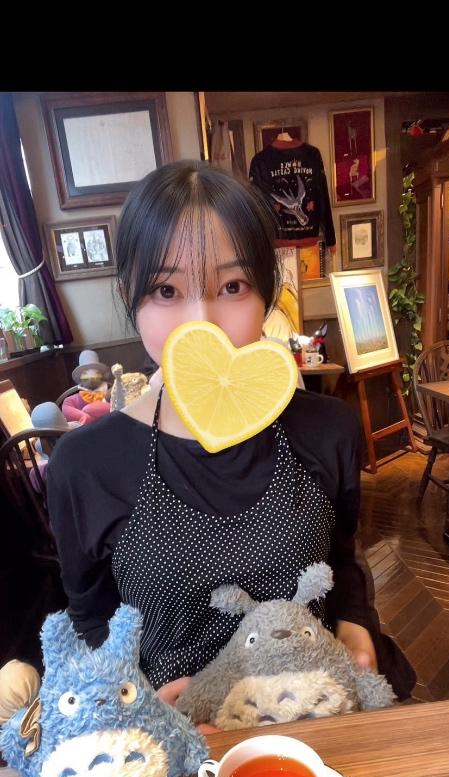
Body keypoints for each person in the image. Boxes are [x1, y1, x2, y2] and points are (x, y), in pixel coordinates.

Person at [47, 160, 414, 732]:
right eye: (166, 290)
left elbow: (342, 561)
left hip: (316, 718)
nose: (202, 322)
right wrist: (137, 702)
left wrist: (356, 623)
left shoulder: (328, 430)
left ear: (268, 294)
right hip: (176, 740)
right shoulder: (86, 464)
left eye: (232, 287)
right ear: (130, 297)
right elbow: (90, 618)